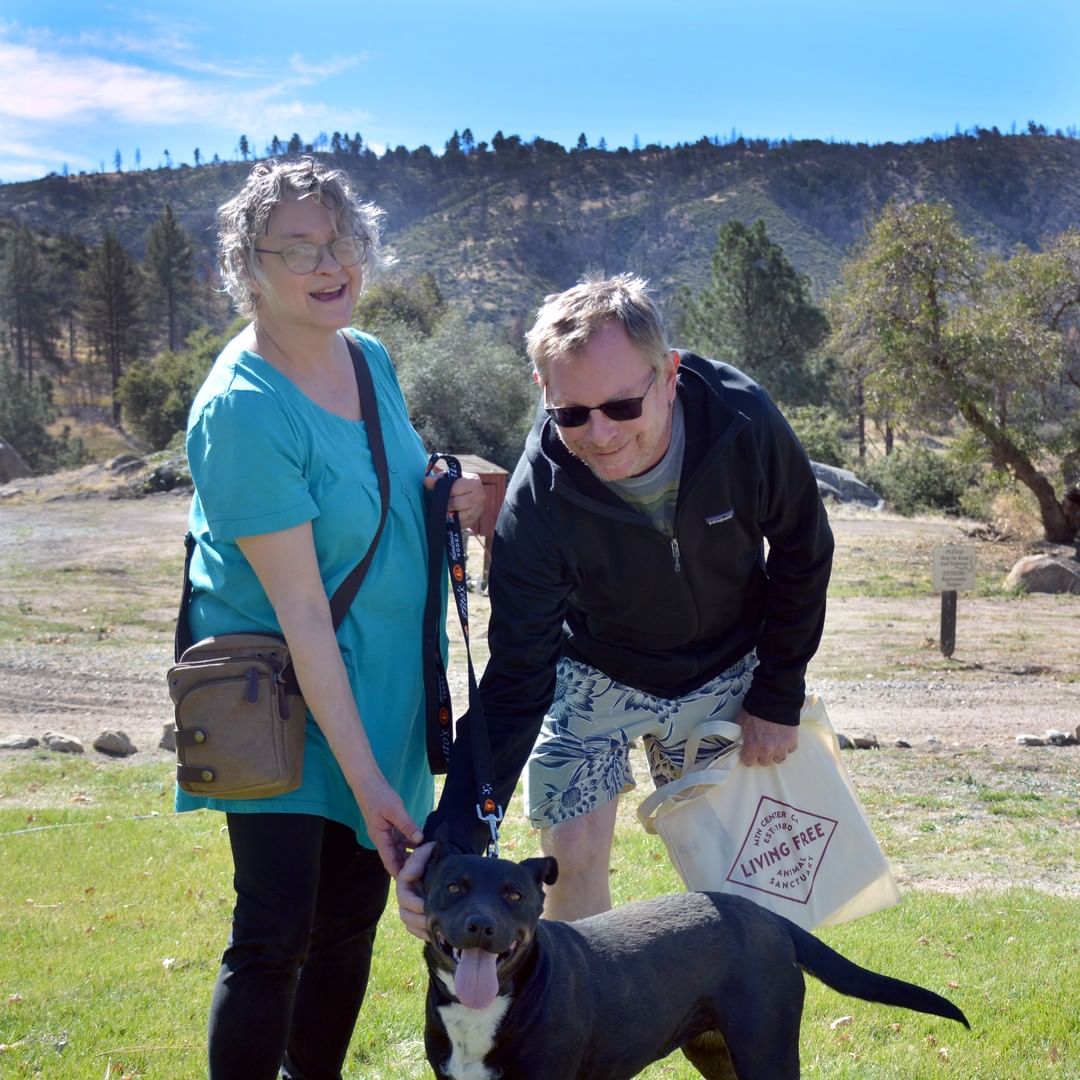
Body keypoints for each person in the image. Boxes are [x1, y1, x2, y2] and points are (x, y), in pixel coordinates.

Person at [400, 272, 833, 930]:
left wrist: (778, 692)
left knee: (747, 880)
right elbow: (518, 677)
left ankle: (740, 1018)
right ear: (545, 395)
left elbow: (803, 548)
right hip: (596, 669)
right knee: (570, 852)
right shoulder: (538, 500)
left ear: (668, 375)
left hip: (727, 661)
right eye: (571, 414)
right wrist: (454, 830)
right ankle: (587, 1017)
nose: (599, 434)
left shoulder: (741, 422)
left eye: (622, 407)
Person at [177, 157, 483, 1080]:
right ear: (248, 268)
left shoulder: (369, 356)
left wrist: (455, 487)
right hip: (284, 708)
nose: (331, 262)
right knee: (274, 935)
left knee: (351, 923)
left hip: (381, 694)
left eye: (344, 241)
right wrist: (369, 788)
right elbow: (304, 617)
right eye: (301, 247)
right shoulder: (243, 409)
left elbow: (385, 491)